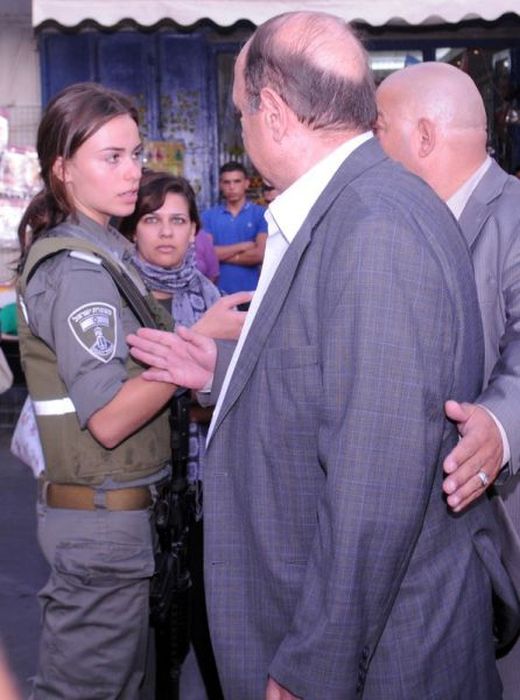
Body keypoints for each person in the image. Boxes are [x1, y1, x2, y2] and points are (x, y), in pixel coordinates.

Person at [128, 12, 520, 699]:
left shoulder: (373, 223)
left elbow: (377, 480)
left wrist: (318, 661)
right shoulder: (353, 206)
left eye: (243, 111)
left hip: (377, 656)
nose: (242, 128)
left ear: (274, 112)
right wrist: (225, 371)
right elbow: (336, 373)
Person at [15, 82, 243, 700]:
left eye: (135, 154)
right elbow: (111, 419)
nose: (131, 171)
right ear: (63, 169)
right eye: (110, 157)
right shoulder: (79, 273)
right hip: (99, 524)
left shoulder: (105, 253)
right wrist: (197, 339)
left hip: (115, 519)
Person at [375, 60, 520, 699]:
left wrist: (500, 419)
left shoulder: (512, 212)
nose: (368, 149)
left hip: (503, 519)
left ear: (425, 137)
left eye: (378, 130)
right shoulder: (402, 224)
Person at [119, 170, 247, 700]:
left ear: (196, 230)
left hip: (201, 492)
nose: (166, 232)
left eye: (178, 220)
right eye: (152, 219)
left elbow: (227, 394)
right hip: (135, 490)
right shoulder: (118, 293)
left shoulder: (210, 297)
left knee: (206, 625)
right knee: (140, 640)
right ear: (133, 229)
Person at [201, 161, 267, 294]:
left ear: (246, 183)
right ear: (220, 185)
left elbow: (260, 255)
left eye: (237, 181)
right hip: (217, 293)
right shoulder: (208, 216)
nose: (232, 187)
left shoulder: (261, 214)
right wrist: (242, 247)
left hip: (252, 293)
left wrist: (220, 255)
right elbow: (207, 255)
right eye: (227, 182)